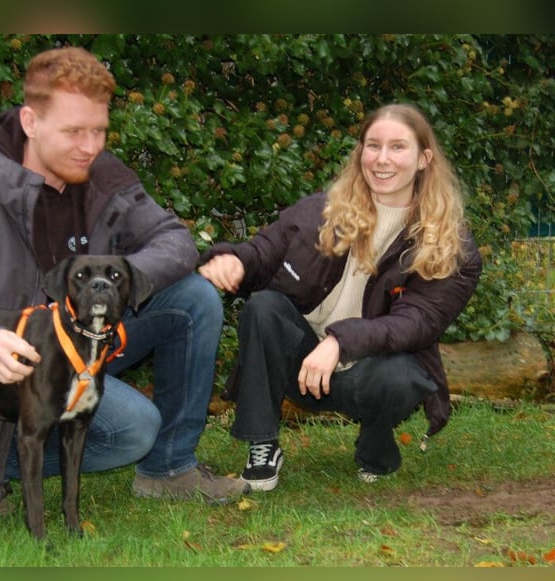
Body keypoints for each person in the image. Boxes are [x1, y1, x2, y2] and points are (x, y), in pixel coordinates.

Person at [0, 46, 249, 513]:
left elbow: (174, 240)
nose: (90, 146)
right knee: (134, 429)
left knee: (194, 298)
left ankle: (169, 469)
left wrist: (118, 289)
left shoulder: (102, 177)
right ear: (30, 122)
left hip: (83, 346)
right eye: (74, 132)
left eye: (100, 131)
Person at [199, 103, 482, 490]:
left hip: (369, 370)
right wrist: (235, 260)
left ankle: (375, 437)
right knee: (264, 307)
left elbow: (415, 324)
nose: (382, 159)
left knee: (401, 376)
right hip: (300, 366)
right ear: (360, 152)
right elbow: (263, 251)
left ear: (423, 159)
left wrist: (339, 341)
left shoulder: (452, 246)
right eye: (373, 145)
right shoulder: (321, 210)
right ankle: (263, 445)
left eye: (398, 147)